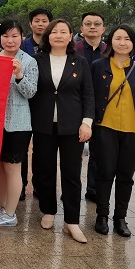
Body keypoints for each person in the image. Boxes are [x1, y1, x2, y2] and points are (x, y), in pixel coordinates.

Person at [29, 19, 94, 243]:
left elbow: (88, 94)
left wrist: (87, 122)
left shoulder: (80, 62)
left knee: (71, 173)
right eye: (54, 32)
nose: (58, 35)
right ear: (47, 36)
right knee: (44, 169)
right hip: (43, 124)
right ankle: (48, 210)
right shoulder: (36, 60)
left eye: (63, 32)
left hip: (72, 126)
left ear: (70, 36)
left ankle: (71, 221)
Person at [91, 25, 135, 237]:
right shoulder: (98, 66)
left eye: (127, 39)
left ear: (133, 44)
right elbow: (90, 96)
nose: (122, 42)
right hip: (105, 127)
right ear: (110, 41)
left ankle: (120, 218)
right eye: (118, 38)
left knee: (126, 176)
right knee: (105, 173)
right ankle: (101, 215)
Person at [0, 20, 38, 227]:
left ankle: (10, 213)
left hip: (17, 123)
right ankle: (1, 206)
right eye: (5, 36)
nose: (10, 40)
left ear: (22, 37)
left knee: (12, 168)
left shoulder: (28, 61)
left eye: (14, 36)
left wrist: (19, 75)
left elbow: (31, 92)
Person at [20, 8, 52, 199]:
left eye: (44, 21)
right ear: (30, 23)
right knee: (21, 148)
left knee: (42, 149)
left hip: (44, 104)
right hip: (23, 101)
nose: (40, 24)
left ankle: (40, 185)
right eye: (37, 21)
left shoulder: (53, 46)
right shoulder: (22, 45)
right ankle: (21, 185)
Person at [75, 12, 107, 204]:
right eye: (88, 24)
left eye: (97, 23)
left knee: (98, 152)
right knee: (74, 153)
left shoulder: (109, 50)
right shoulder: (74, 49)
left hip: (103, 107)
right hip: (77, 106)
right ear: (82, 29)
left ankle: (93, 189)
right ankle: (72, 188)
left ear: (103, 28)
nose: (92, 27)